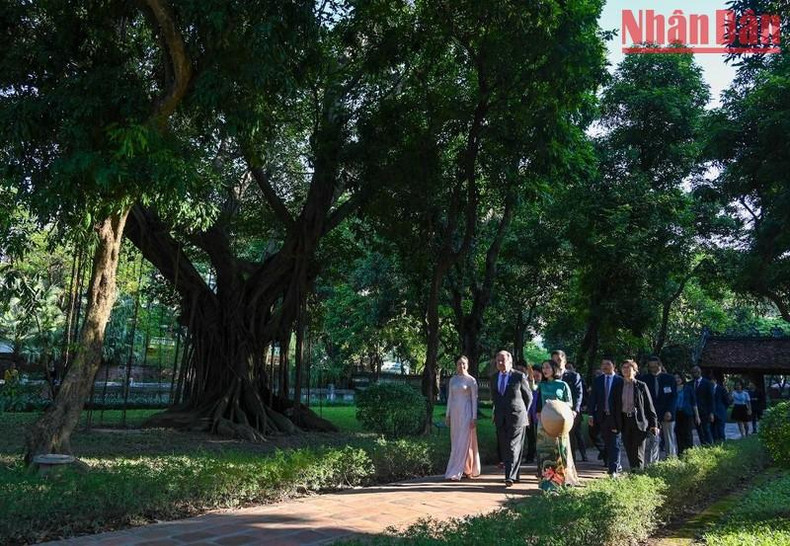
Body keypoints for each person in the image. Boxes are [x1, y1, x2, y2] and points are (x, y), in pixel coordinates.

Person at [535, 359, 579, 490]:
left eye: (547, 367)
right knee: (545, 453)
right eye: (543, 368)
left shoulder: (563, 385)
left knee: (560, 451)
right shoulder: (541, 386)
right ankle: (547, 482)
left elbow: (569, 403)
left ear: (554, 369)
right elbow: (538, 404)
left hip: (560, 424)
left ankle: (562, 480)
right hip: (544, 424)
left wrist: (555, 404)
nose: (545, 370)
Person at [492, 350, 533, 487]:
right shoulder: (494, 377)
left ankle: (509, 476)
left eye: (503, 360)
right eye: (498, 361)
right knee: (505, 447)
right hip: (500, 417)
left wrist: (523, 412)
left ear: (510, 361)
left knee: (512, 446)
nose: (500, 363)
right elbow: (495, 399)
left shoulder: (519, 376)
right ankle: (515, 475)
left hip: (517, 417)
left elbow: (529, 397)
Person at [444, 356, 481, 480]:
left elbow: (474, 400)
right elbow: (450, 398)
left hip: (466, 412)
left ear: (468, 365)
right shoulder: (453, 380)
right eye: (459, 363)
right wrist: (447, 414)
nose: (461, 366)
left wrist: (474, 417)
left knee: (465, 440)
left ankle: (465, 469)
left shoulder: (471, 380)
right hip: (455, 413)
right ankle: (458, 468)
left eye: (464, 363)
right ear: (456, 365)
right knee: (456, 441)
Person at [619, 360, 659, 471]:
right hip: (624, 421)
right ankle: (634, 473)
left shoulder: (641, 386)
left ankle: (639, 475)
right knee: (629, 449)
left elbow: (649, 405)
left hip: (639, 422)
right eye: (624, 367)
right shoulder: (618, 385)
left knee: (638, 451)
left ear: (635, 371)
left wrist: (654, 424)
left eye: (629, 367)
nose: (626, 369)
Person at [588, 357, 623, 477]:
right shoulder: (598, 380)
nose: (605, 366)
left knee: (615, 442)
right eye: (603, 364)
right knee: (607, 441)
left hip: (615, 417)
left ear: (614, 365)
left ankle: (613, 469)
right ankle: (612, 463)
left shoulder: (620, 381)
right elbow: (593, 398)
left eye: (607, 364)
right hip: (602, 416)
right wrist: (591, 414)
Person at [639, 356, 677, 462]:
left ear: (660, 365)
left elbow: (673, 397)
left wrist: (669, 411)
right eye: (651, 367)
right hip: (651, 414)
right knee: (653, 439)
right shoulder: (644, 379)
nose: (653, 369)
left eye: (655, 366)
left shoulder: (669, 379)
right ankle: (652, 462)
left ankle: (671, 460)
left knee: (669, 438)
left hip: (667, 413)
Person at [553, 350, 587, 462]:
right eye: (554, 360)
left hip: (570, 412)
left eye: (559, 360)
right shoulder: (550, 377)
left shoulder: (573, 376)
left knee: (570, 438)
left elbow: (579, 394)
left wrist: (575, 410)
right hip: (553, 413)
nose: (557, 363)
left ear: (564, 361)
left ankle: (570, 464)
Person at [674, 373, 700, 456]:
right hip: (676, 414)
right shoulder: (672, 389)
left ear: (682, 378)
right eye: (675, 378)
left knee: (688, 433)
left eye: (678, 377)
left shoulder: (688, 389)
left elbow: (694, 403)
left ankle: (689, 453)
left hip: (687, 413)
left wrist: (697, 416)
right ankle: (680, 453)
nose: (677, 379)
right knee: (678, 433)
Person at [691, 366, 715, 445]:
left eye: (695, 372)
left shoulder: (707, 383)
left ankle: (710, 444)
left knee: (706, 429)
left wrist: (711, 412)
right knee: (699, 429)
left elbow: (711, 399)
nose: (693, 374)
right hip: (694, 410)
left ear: (699, 372)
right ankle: (703, 444)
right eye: (692, 373)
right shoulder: (690, 384)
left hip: (705, 410)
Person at [712, 376, 731, 443]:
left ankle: (722, 441)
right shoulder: (708, 389)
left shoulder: (721, 389)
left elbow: (727, 401)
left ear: (715, 380)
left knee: (721, 428)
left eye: (712, 381)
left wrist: (723, 408)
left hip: (721, 411)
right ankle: (715, 441)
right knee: (713, 428)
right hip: (712, 412)